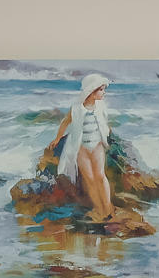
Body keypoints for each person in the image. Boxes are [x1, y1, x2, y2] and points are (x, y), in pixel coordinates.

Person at [46, 74, 115, 221]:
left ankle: (108, 208)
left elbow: (104, 122)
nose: (104, 92)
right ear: (92, 91)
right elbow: (65, 122)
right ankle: (99, 209)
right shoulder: (77, 108)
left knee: (100, 176)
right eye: (101, 90)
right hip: (81, 147)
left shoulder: (101, 106)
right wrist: (58, 138)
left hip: (96, 145)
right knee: (90, 179)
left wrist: (108, 133)